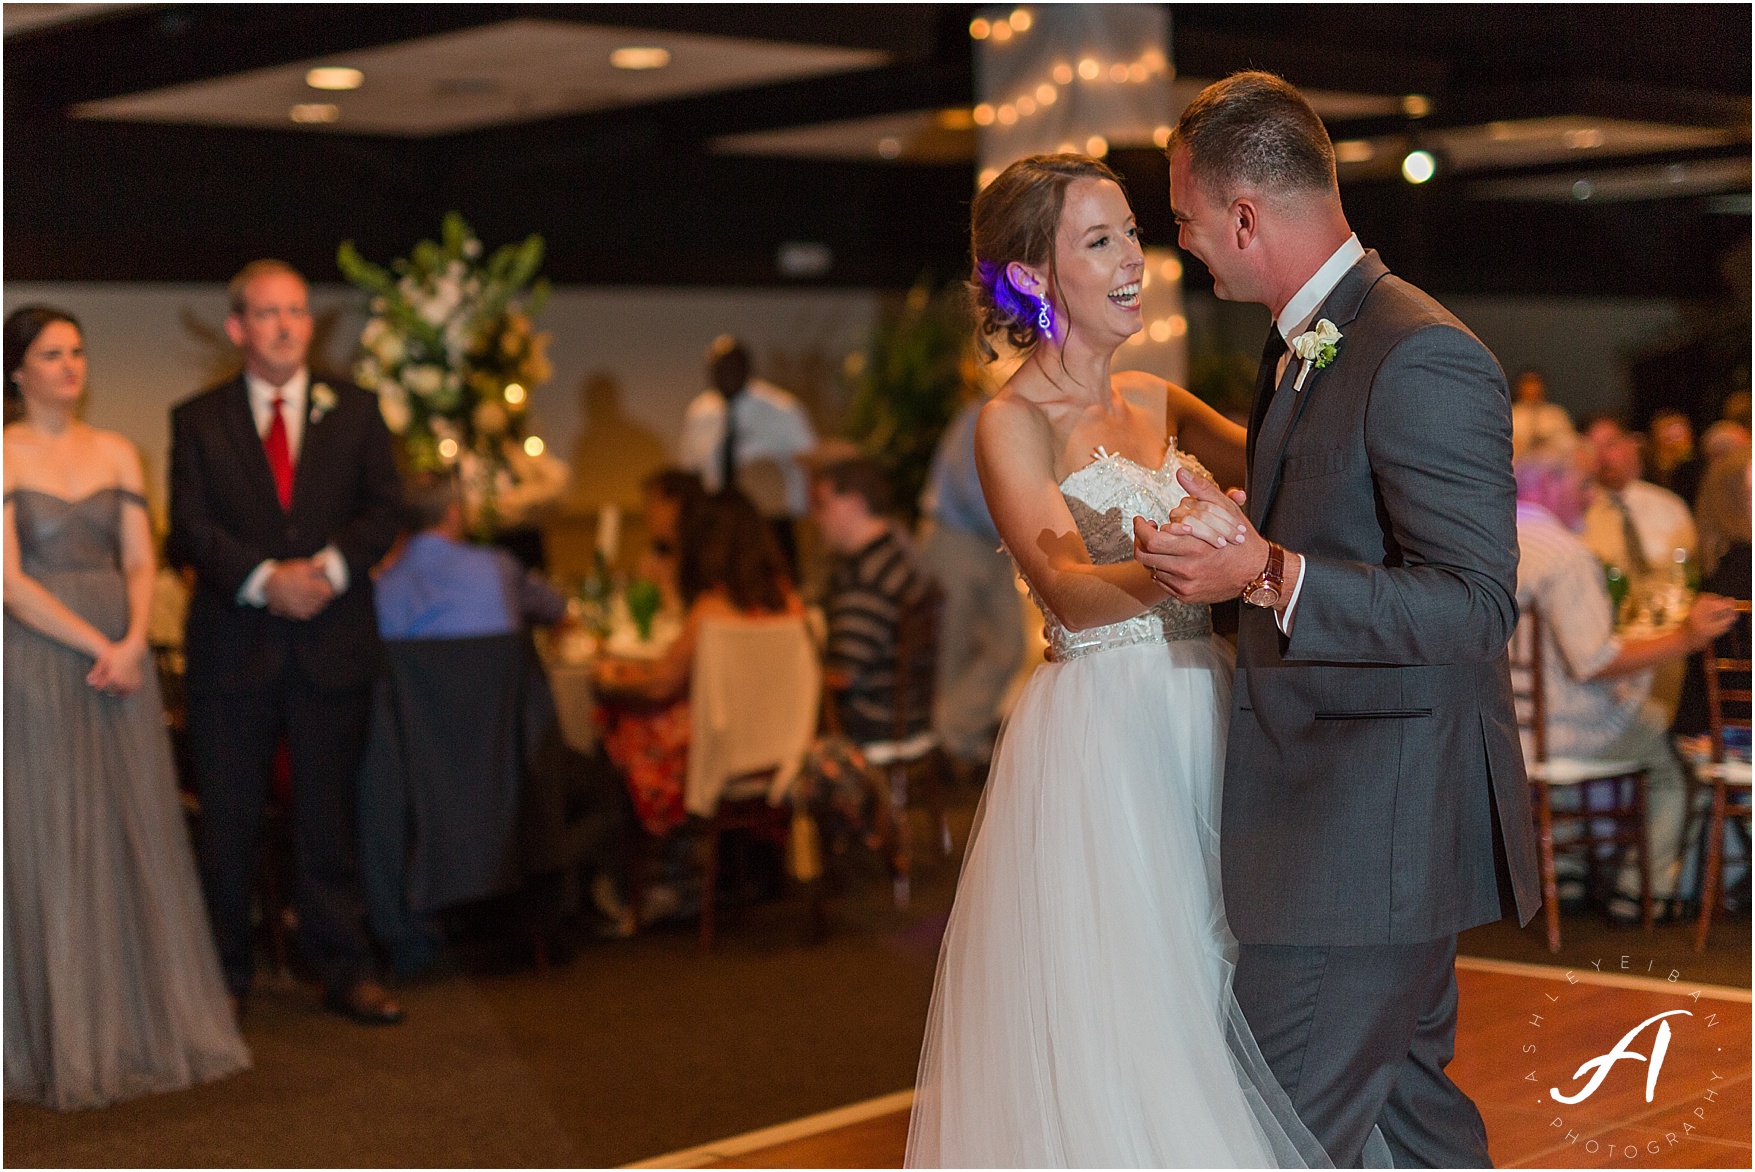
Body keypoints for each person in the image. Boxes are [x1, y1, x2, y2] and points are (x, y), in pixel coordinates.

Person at [1135, 71, 1542, 1167]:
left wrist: (1266, 569)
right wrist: (1236, 537)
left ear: (1246, 215)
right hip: (1347, 836)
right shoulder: (1304, 344)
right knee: (1416, 1132)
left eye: (1185, 221)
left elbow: (1474, 605)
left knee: (1262, 1141)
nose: (1185, 248)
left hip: (1363, 846)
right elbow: (1330, 531)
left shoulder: (1421, 352)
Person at [906, 152, 1329, 1168]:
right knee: (1131, 987)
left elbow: (1297, 472)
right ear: (1034, 278)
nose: (1135, 258)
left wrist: (1336, 367)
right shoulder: (1009, 424)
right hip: (1102, 723)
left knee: (1221, 965)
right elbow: (1074, 595)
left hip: (1204, 701)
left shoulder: (1159, 397)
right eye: (1100, 240)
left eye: (1134, 232)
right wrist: (1207, 564)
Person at [4, 306, 250, 1109]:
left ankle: (137, 1023)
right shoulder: (3, 454)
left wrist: (135, 636)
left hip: (122, 653)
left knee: (128, 828)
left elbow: (142, 559)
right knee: (52, 835)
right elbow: (8, 582)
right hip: (41, 659)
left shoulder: (116, 451)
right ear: (17, 371)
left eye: (77, 351)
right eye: (51, 354)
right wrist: (95, 644)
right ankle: (65, 1036)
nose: (70, 366)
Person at [167, 260, 406, 1025]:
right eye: (268, 313)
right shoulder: (198, 419)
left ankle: (343, 966)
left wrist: (327, 572)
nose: (285, 325)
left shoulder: (359, 411)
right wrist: (266, 578)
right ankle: (224, 980)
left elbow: (383, 510)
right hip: (234, 650)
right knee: (229, 827)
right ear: (238, 327)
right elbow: (191, 527)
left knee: (329, 819)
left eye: (298, 311)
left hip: (331, 644)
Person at [1511, 455, 1738, 916]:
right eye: (1582, 482)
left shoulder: (1499, 539)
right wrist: (1684, 638)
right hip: (1559, 730)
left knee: (1624, 717)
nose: (1592, 496)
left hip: (1507, 723)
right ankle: (1639, 891)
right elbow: (1593, 662)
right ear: (1550, 481)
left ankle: (1569, 875)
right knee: (1669, 748)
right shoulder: (1563, 555)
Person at [592, 489, 804, 915]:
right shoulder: (790, 601)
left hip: (718, 754)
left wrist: (608, 679)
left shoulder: (711, 610)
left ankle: (642, 881)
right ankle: (684, 871)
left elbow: (661, 684)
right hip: (780, 748)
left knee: (615, 726)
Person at [918, 390, 1024, 776]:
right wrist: (1022, 527)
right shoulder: (983, 413)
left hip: (994, 542)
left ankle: (952, 734)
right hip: (956, 540)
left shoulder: (1022, 415)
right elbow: (970, 488)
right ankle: (950, 747)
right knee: (952, 648)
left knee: (1008, 644)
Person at [812, 455, 932, 747]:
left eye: (822, 504)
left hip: (871, 723)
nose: (817, 517)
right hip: (911, 716)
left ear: (854, 503)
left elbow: (844, 673)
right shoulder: (900, 553)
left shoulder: (865, 577)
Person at [677, 336, 817, 571]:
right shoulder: (699, 413)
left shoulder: (782, 410)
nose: (726, 375)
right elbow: (690, 470)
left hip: (771, 525)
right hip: (719, 526)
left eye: (732, 367)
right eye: (718, 369)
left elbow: (810, 463)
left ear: (749, 368)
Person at [374, 474, 567, 639]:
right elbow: (555, 609)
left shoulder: (382, 585)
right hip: (493, 681)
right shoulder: (497, 567)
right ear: (454, 513)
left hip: (417, 683)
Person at [1579, 413, 1697, 579]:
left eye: (1610, 444)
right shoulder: (1580, 516)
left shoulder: (1668, 506)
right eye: (1592, 448)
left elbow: (1691, 567)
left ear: (1632, 444)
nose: (1603, 456)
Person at [1510, 367, 1577, 459]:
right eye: (1528, 383)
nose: (1532, 388)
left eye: (1535, 383)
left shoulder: (1556, 413)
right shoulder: (1511, 414)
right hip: (1519, 465)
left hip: (1552, 464)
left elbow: (1570, 441)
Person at [1645, 408, 1705, 507]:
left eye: (1678, 428)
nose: (1673, 435)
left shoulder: (1698, 469)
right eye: (1666, 428)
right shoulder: (1648, 470)